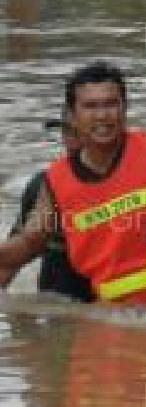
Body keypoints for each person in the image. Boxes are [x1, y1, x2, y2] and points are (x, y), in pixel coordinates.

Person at [0, 63, 146, 306]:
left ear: (125, 108)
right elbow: (29, 243)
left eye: (110, 104)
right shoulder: (55, 180)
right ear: (72, 115)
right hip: (109, 316)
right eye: (90, 106)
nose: (102, 115)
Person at [0, 111, 93, 302]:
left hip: (105, 302)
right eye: (67, 132)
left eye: (79, 133)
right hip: (54, 301)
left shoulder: (122, 184)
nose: (73, 142)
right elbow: (10, 264)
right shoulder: (42, 184)